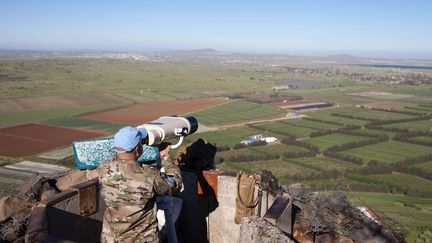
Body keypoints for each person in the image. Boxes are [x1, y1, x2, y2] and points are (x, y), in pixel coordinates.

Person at [99, 126, 183, 243]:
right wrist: (165, 157)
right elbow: (175, 183)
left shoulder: (103, 169)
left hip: (111, 239)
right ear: (137, 149)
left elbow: (118, 163)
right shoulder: (150, 176)